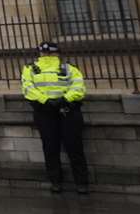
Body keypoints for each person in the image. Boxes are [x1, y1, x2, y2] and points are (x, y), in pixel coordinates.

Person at [22, 41, 89, 194]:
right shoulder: (68, 67)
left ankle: (57, 182)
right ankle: (80, 183)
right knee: (73, 148)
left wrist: (47, 101)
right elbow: (78, 88)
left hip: (50, 111)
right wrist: (64, 100)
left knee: (53, 148)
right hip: (65, 110)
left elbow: (28, 88)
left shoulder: (30, 68)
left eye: (47, 53)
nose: (46, 55)